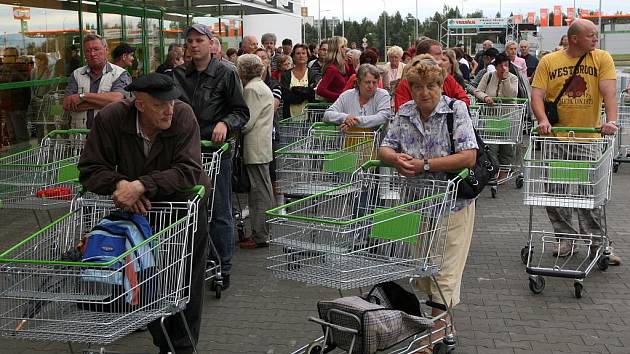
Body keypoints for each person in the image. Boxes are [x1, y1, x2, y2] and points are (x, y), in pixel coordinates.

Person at [77, 72, 209, 354]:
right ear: (139, 104)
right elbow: (89, 170)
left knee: (185, 283)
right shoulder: (112, 118)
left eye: (172, 101)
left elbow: (188, 171)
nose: (169, 109)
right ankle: (164, 343)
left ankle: (183, 348)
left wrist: (141, 186)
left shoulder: (183, 116)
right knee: (150, 284)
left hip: (183, 209)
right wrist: (120, 184)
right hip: (141, 217)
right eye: (160, 104)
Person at [379, 54, 477, 334]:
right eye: (419, 87)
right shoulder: (405, 112)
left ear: (441, 85)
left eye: (431, 86)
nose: (425, 93)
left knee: (443, 273)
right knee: (424, 271)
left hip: (452, 203)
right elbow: (385, 147)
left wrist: (425, 165)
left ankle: (430, 339)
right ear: (411, 88)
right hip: (417, 204)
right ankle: (444, 324)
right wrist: (395, 159)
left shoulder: (455, 110)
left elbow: (469, 156)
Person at [531, 19, 620, 265]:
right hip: (556, 138)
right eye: (591, 35)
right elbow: (537, 95)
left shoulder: (601, 58)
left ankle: (597, 243)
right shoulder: (550, 62)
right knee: (556, 193)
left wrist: (610, 121)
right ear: (574, 38)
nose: (595, 39)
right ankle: (565, 238)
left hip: (588, 138)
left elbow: (608, 91)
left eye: (595, 35)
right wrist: (542, 120)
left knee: (589, 194)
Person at [172, 24, 250, 289]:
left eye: (199, 40)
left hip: (215, 153)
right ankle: (190, 262)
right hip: (185, 152)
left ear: (210, 43)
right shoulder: (178, 75)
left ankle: (223, 265)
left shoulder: (226, 74)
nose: (194, 45)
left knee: (218, 210)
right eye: (190, 41)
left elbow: (241, 111)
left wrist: (226, 123)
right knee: (187, 209)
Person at [235, 54, 276, 249]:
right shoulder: (261, 86)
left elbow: (246, 121)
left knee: (258, 191)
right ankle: (263, 232)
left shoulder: (251, 89)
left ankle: (260, 234)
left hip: (255, 146)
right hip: (263, 145)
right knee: (263, 189)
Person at [63, 34, 131, 129]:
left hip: (109, 135)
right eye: (88, 51)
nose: (92, 54)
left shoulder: (119, 74)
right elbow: (67, 104)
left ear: (106, 50)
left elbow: (117, 100)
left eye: (96, 49)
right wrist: (104, 103)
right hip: (79, 137)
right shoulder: (76, 74)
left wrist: (82, 96)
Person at [474, 53, 519, 180]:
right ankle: (492, 171)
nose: (504, 68)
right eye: (501, 65)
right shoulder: (488, 76)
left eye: (506, 65)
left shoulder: (513, 78)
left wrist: (505, 80)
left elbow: (512, 94)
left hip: (508, 117)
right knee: (491, 146)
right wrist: (486, 97)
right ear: (496, 66)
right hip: (491, 117)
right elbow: (478, 91)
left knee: (506, 146)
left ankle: (504, 171)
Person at [393, 39, 470, 111]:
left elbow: (464, 100)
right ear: (424, 56)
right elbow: (402, 111)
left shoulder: (447, 78)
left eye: (431, 86)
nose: (442, 57)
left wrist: (446, 113)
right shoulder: (407, 83)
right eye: (438, 54)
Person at [323, 63, 391, 131]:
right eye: (367, 82)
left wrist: (355, 122)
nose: (371, 86)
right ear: (358, 82)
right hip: (349, 140)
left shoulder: (383, 95)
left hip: (377, 141)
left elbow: (383, 117)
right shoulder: (346, 95)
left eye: (374, 82)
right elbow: (327, 115)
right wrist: (345, 118)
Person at [0, 47, 30, 144]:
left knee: (20, 134)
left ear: (15, 57)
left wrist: (10, 68)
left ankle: (25, 156)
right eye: (3, 56)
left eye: (7, 56)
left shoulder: (21, 68)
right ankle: (17, 155)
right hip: (7, 105)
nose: (4, 58)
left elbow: (21, 81)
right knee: (11, 135)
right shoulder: (4, 69)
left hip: (18, 106)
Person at [280, 44, 317, 119]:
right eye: (298, 53)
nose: (301, 56)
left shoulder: (313, 74)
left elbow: (313, 94)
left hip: (308, 118)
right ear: (293, 56)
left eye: (303, 53)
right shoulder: (286, 75)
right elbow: (286, 96)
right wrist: (304, 92)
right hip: (289, 118)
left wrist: (294, 89)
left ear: (307, 56)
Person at [316, 36, 355, 102]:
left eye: (346, 46)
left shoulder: (345, 65)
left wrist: (351, 65)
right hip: (335, 105)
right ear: (336, 49)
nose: (346, 49)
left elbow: (353, 79)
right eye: (342, 47)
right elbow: (320, 90)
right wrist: (339, 97)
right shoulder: (332, 69)